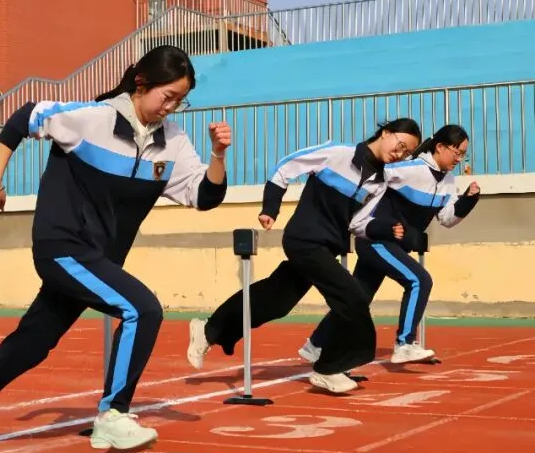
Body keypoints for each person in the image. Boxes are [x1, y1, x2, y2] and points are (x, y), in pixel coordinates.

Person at [0, 45, 232, 452]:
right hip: (62, 245)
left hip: (97, 259)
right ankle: (113, 414)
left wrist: (217, 155)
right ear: (141, 84)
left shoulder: (173, 143)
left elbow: (205, 196)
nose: (172, 107)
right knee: (143, 308)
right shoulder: (93, 119)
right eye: (168, 96)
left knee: (35, 341)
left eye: (181, 100)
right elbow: (24, 117)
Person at [186, 118, 423, 394]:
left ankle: (208, 330)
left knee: (276, 300)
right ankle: (328, 367)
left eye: (407, 153)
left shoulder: (379, 183)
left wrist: (385, 229)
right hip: (304, 240)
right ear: (386, 133)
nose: (400, 153)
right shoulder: (337, 155)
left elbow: (358, 224)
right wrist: (270, 208)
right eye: (400, 144)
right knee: (352, 298)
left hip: (326, 248)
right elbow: (286, 167)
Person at [300, 124, 479, 365]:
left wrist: (468, 200)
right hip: (376, 240)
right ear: (440, 147)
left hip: (392, 247)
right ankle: (405, 344)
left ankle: (316, 344)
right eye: (457, 152)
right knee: (419, 280)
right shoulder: (408, 169)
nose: (460, 158)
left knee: (357, 298)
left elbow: (447, 219)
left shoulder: (448, 182)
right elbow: (373, 173)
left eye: (463, 154)